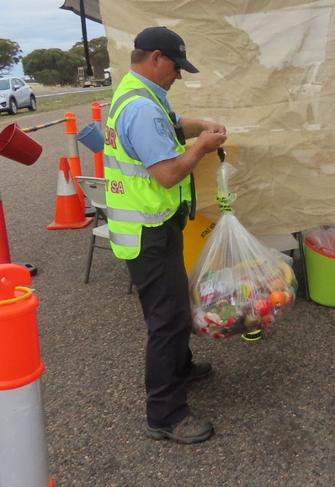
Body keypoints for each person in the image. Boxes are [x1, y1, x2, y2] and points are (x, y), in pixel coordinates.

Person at [103, 26, 227, 444]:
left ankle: (180, 367)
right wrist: (202, 148)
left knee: (171, 309)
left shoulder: (137, 94)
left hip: (151, 225)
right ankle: (165, 414)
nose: (179, 75)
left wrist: (201, 126)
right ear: (156, 57)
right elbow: (169, 171)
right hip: (147, 231)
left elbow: (173, 124)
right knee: (168, 320)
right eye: (177, 66)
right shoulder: (141, 109)